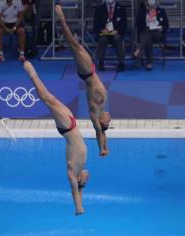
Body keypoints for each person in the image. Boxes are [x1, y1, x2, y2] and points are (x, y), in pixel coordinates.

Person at [23, 60, 89, 216]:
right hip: (72, 124)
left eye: (84, 181)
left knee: (47, 100)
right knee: (50, 98)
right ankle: (31, 71)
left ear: (78, 180)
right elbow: (82, 186)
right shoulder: (81, 169)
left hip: (67, 128)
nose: (88, 178)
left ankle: (31, 72)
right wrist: (82, 199)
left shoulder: (72, 174)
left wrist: (78, 208)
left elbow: (75, 191)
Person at [55, 4, 111, 157]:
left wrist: (102, 149)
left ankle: (62, 20)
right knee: (75, 46)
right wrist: (106, 147)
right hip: (90, 72)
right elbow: (103, 134)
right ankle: (63, 22)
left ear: (102, 123)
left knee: (74, 45)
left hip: (87, 73)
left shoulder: (95, 115)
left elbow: (99, 133)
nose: (109, 119)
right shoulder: (103, 109)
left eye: (108, 122)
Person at [134, 0, 169, 71]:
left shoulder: (161, 11)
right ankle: (149, 63)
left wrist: (161, 28)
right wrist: (146, 28)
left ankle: (139, 50)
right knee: (148, 39)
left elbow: (166, 25)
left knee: (147, 36)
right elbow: (138, 24)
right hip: (145, 32)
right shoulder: (142, 11)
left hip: (157, 34)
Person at [94, 0, 126, 72]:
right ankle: (101, 62)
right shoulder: (99, 9)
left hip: (116, 33)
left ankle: (121, 63)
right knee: (102, 39)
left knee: (117, 38)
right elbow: (96, 25)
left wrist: (117, 31)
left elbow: (124, 25)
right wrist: (102, 30)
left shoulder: (121, 9)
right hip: (104, 33)